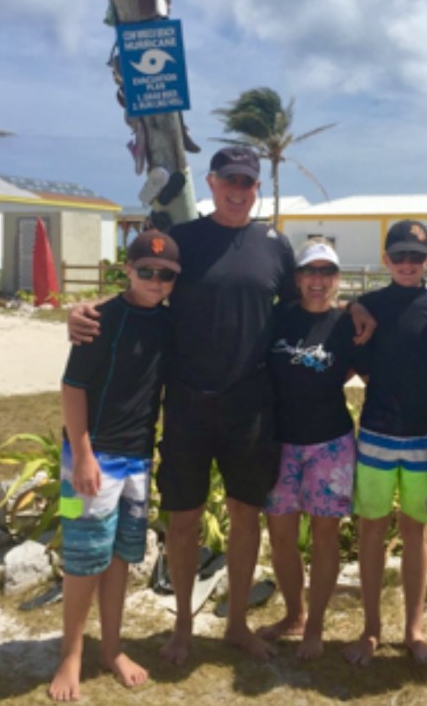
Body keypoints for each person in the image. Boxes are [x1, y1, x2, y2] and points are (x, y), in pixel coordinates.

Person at [68, 146, 376, 665]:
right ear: (211, 182)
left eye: (249, 182)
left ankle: (236, 624)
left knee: (244, 516)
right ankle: (183, 628)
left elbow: (305, 303)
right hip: (187, 404)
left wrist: (352, 306)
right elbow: (145, 290)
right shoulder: (184, 241)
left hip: (252, 407)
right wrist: (85, 308)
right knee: (183, 521)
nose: (239, 189)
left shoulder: (275, 246)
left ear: (257, 188)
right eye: (230, 179)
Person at [49, 230, 180, 700]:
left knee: (122, 556)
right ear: (128, 270)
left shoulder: (168, 323)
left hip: (138, 458)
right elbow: (72, 388)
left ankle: (110, 648)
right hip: (93, 455)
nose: (155, 281)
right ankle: (71, 655)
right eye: (146, 271)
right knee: (84, 562)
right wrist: (82, 455)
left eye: (166, 275)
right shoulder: (100, 320)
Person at [342, 219, 427, 668]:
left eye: (417, 257)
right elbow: (361, 364)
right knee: (371, 529)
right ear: (386, 260)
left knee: (415, 532)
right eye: (400, 256)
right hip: (375, 436)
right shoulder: (367, 305)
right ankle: (371, 630)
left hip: (425, 437)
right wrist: (351, 302)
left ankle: (414, 630)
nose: (408, 264)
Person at [257, 239, 362, 659]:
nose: (318, 280)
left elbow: (365, 370)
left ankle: (314, 626)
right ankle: (294, 615)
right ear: (297, 278)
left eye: (327, 272)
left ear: (337, 279)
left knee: (324, 538)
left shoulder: (347, 326)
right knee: (280, 536)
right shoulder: (278, 317)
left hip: (330, 444)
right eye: (310, 272)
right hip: (279, 442)